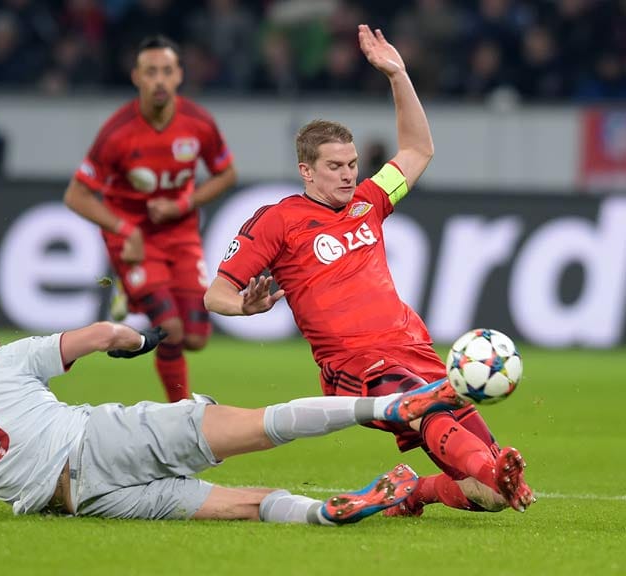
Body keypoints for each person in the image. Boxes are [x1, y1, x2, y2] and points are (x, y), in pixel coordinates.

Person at [204, 24, 534, 517]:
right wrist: (243, 306)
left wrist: (398, 74)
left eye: (352, 164)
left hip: (414, 352)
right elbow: (216, 294)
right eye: (335, 166)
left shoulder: (369, 204)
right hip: (356, 368)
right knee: (452, 438)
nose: (348, 173)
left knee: (487, 499)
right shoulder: (279, 220)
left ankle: (409, 491)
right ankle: (493, 468)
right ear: (306, 171)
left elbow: (419, 150)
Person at [0, 319, 467, 524]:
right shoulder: (4, 367)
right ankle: (390, 406)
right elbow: (98, 333)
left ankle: (325, 515)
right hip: (101, 437)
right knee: (258, 424)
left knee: (243, 508)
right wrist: (138, 339)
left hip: (84, 501)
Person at [63, 35, 237, 403]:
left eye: (166, 71)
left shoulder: (198, 123)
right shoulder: (118, 132)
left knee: (196, 337)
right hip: (134, 240)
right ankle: (180, 413)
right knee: (170, 330)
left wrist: (184, 203)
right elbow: (75, 195)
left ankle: (133, 295)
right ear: (136, 77)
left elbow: (227, 174)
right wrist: (125, 229)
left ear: (179, 76)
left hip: (181, 234)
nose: (159, 80)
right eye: (151, 72)